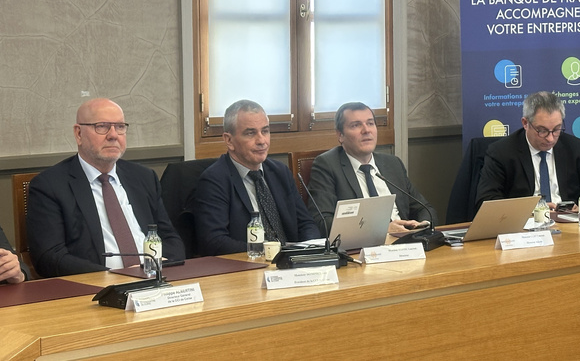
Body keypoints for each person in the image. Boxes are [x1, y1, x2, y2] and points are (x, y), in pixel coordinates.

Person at [27, 98, 185, 278]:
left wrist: (161, 266)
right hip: (96, 286)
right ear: (78, 134)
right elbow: (49, 258)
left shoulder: (143, 177)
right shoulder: (49, 186)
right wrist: (113, 277)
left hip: (154, 279)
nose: (113, 135)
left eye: (120, 127)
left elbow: (170, 239)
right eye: (102, 126)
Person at [190, 100, 320, 255]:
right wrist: (266, 252)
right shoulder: (214, 180)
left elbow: (306, 224)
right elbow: (214, 241)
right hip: (248, 264)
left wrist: (308, 250)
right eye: (250, 133)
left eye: (265, 131)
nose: (262, 141)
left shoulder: (280, 172)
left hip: (291, 260)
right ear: (229, 140)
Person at [309, 102, 438, 236]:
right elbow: (323, 222)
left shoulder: (392, 164)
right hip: (363, 245)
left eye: (370, 123)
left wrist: (421, 226)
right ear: (340, 135)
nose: (366, 130)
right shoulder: (327, 165)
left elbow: (425, 209)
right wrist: (382, 229)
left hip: (407, 240)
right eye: (356, 125)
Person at [475, 91, 580, 210]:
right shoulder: (501, 152)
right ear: (525, 123)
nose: (550, 138)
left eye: (557, 129)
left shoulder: (575, 147)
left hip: (567, 221)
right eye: (542, 131)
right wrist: (532, 209)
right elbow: (486, 201)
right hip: (525, 223)